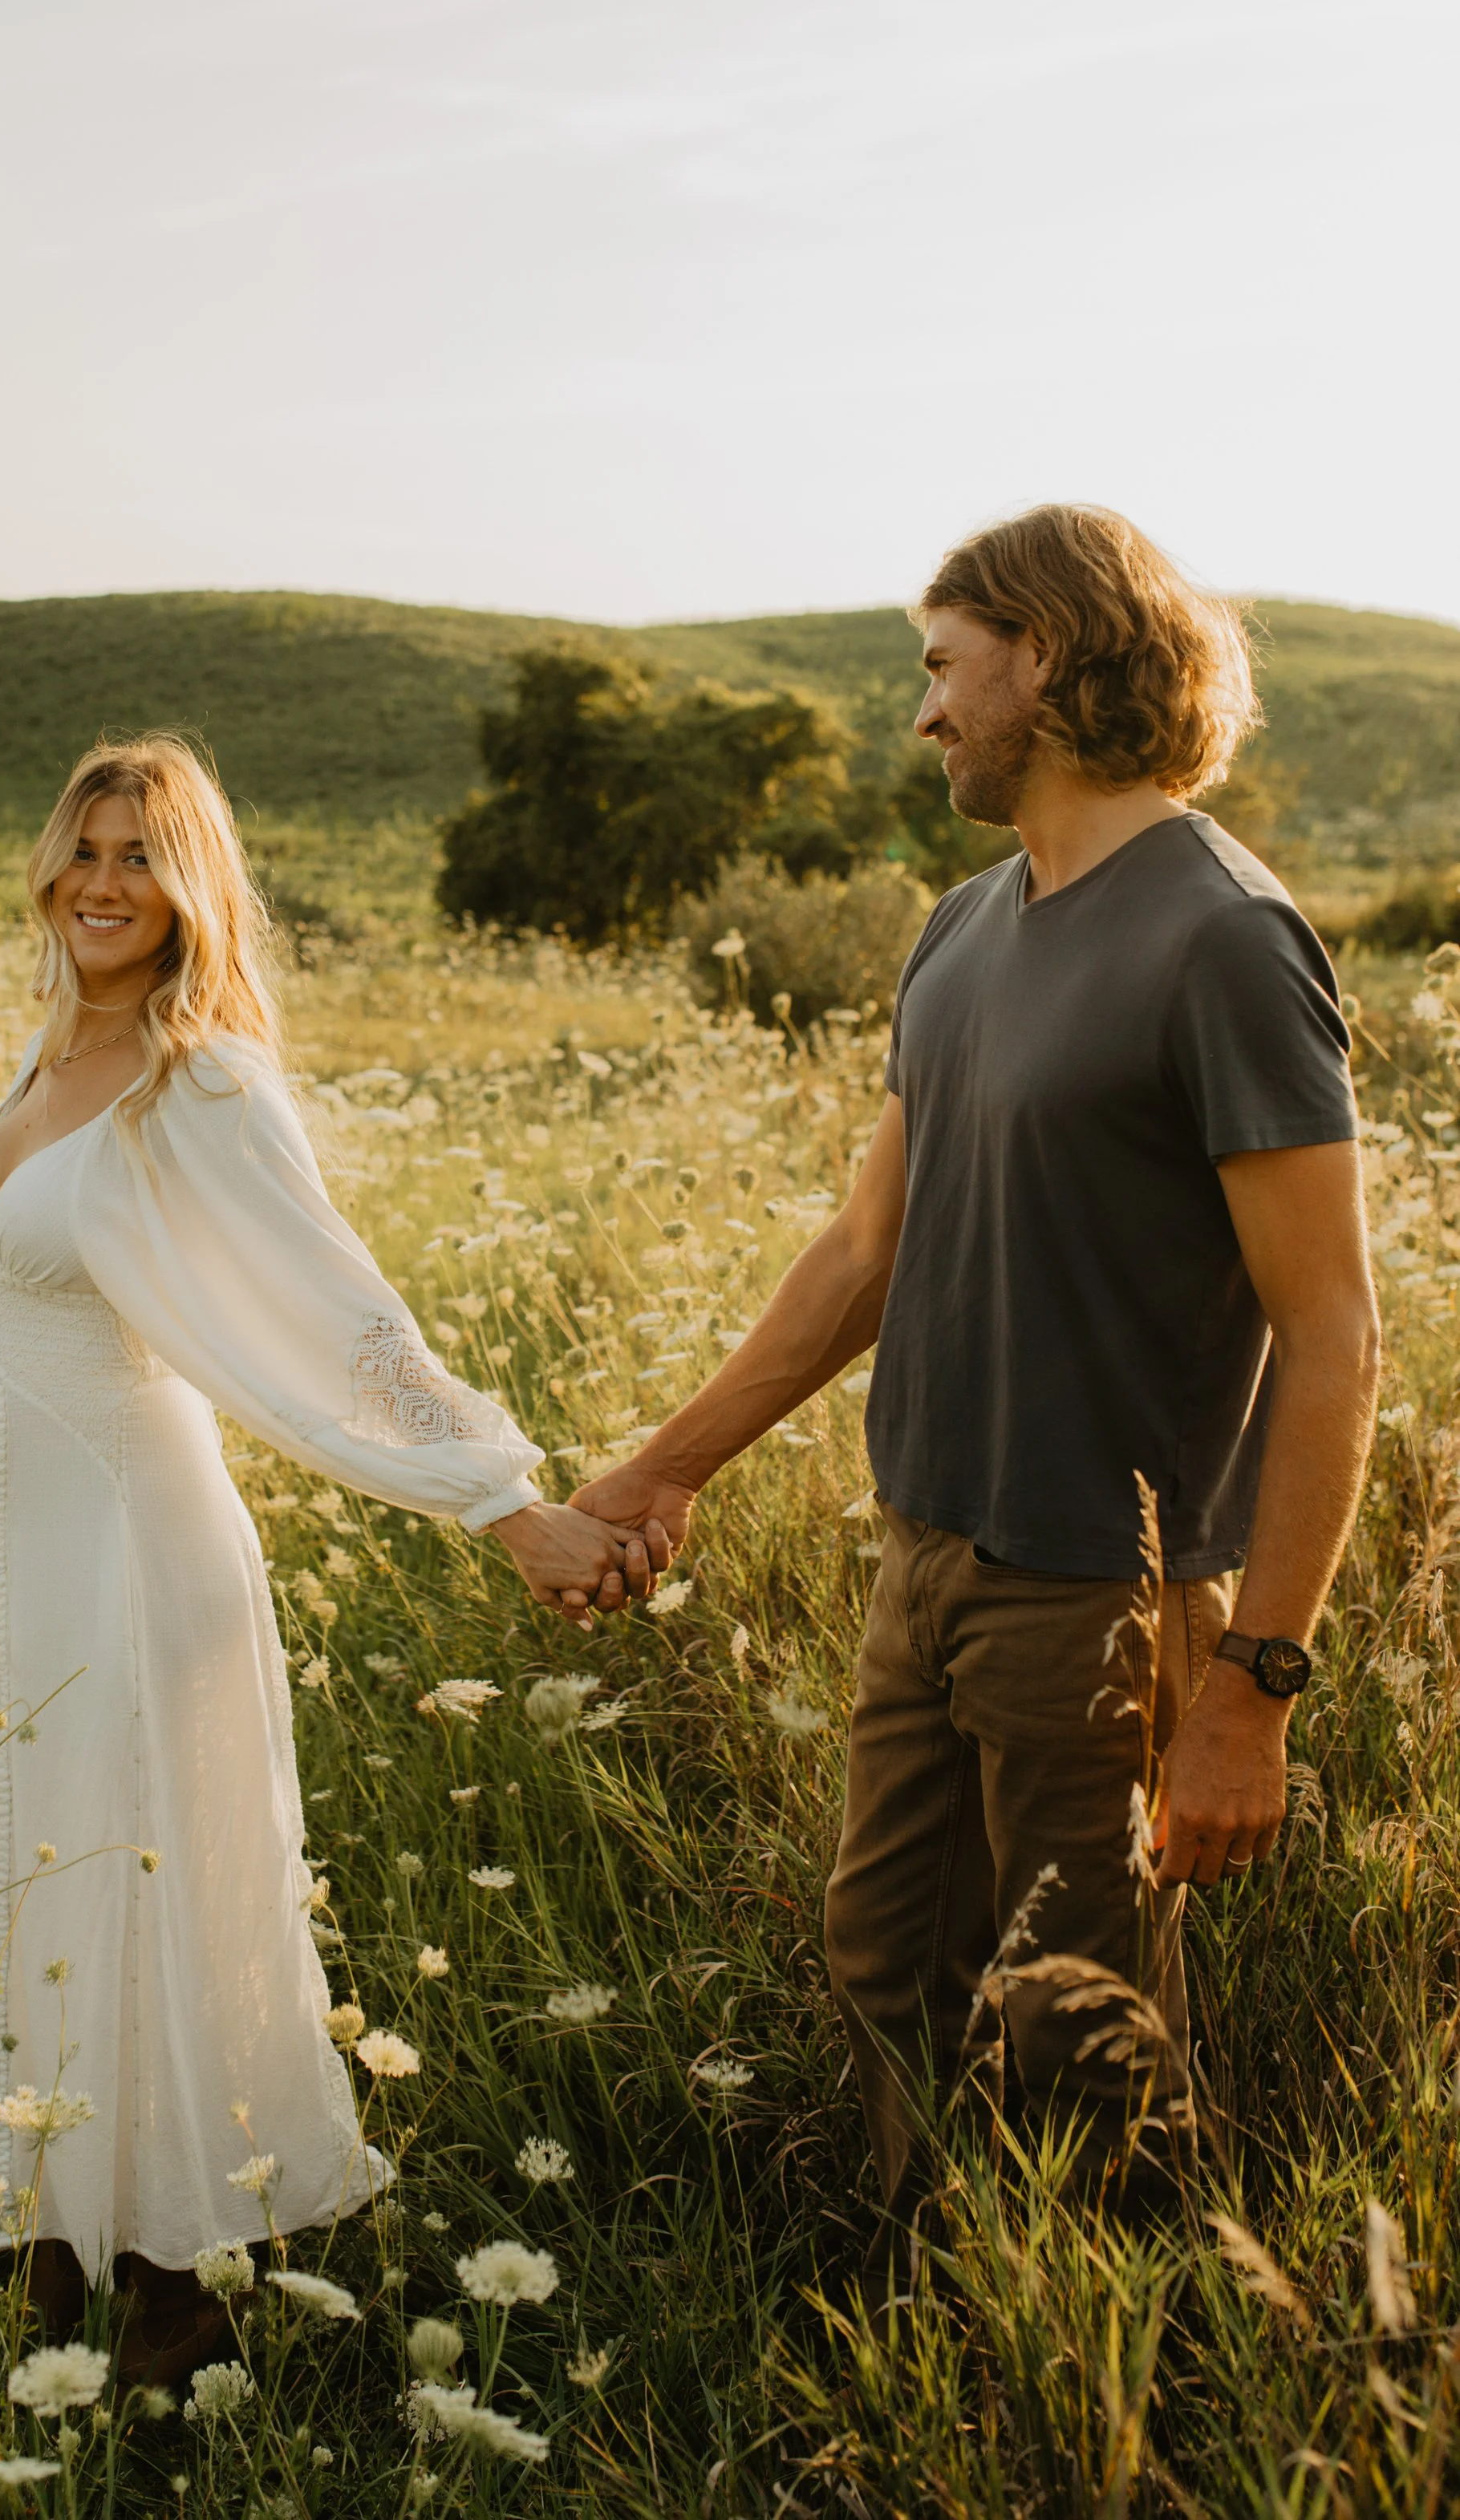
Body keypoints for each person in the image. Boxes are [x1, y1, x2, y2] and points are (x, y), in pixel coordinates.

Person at [573, 504, 1379, 2249]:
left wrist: (1249, 1689)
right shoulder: (956, 928)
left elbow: (1333, 1334)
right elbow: (862, 1255)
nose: (922, 713)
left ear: (1060, 657)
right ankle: (952, 2324)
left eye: (945, 668)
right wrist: (661, 1467)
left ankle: (1121, 2390)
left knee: (1078, 2026)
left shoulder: (1222, 939)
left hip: (1101, 1594)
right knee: (884, 1967)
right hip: (921, 1553)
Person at [0, 735, 634, 2372]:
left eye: (141, 855)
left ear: (190, 887)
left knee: (134, 1886)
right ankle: (47, 2230)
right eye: (84, 846)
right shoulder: (41, 1059)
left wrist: (507, 1507)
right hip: (8, 1567)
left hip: (125, 1551)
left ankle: (175, 2271)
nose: (102, 881)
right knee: (16, 1881)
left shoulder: (199, 1080)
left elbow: (339, 1323)